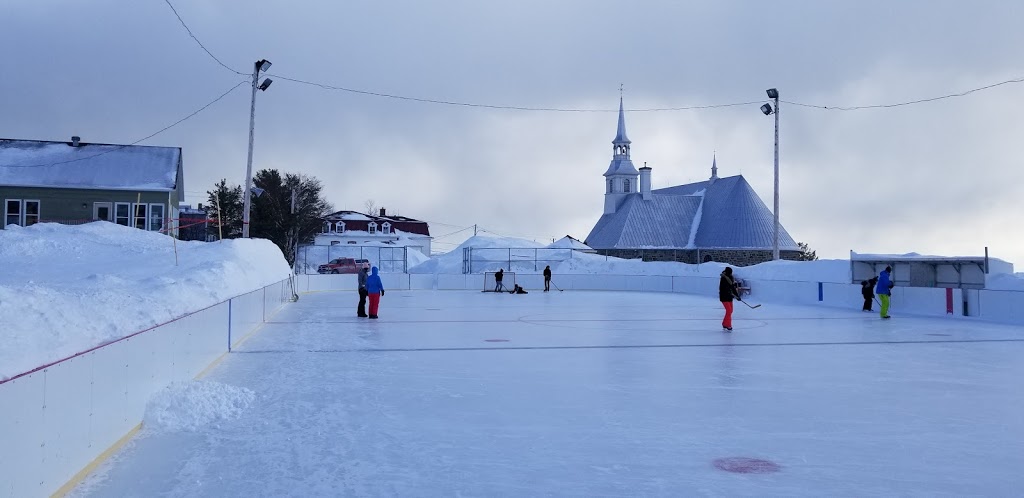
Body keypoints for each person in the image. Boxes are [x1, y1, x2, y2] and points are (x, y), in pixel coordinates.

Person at [719, 267, 740, 331]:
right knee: (728, 310)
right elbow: (723, 288)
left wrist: (737, 296)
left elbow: (733, 287)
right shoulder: (723, 278)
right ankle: (728, 325)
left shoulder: (731, 278)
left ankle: (724, 323)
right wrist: (729, 292)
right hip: (724, 297)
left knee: (730, 311)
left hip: (729, 297)